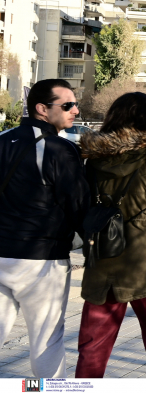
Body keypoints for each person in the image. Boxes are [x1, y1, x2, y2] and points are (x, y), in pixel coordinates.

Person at [75, 92, 146, 378]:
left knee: (94, 342)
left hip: (103, 259)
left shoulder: (93, 161)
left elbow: (82, 207)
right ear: (145, 120)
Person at [0, 79, 90, 378]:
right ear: (42, 108)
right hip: (42, 260)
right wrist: (92, 244)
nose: (75, 110)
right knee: (46, 340)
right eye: (68, 105)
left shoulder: (2, 140)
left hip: (2, 254)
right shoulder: (60, 149)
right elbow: (78, 205)